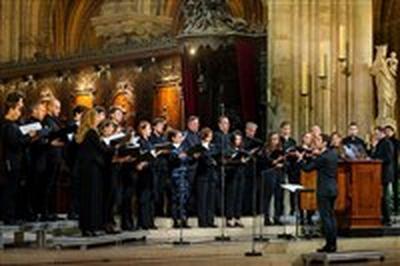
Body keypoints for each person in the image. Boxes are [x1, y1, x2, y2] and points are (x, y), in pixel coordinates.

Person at [297, 134, 338, 253]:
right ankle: (333, 244)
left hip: (324, 190)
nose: (315, 142)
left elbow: (307, 168)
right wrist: (315, 155)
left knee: (325, 218)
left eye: (318, 140)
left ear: (325, 143)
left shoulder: (323, 158)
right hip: (333, 188)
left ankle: (329, 245)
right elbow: (321, 160)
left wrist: (300, 159)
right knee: (331, 217)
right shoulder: (333, 154)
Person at [75, 109, 111, 236]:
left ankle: (86, 227)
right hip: (93, 170)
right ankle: (92, 227)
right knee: (93, 198)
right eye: (96, 117)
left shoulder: (82, 133)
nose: (99, 119)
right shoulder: (92, 133)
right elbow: (101, 149)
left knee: (87, 199)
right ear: (91, 119)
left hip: (85, 170)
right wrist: (114, 147)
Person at [0, 100, 37, 224]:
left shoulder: (13, 125)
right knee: (10, 190)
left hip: (17, 161)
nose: (19, 113)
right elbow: (15, 143)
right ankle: (8, 217)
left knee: (14, 189)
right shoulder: (8, 125)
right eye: (18, 109)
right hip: (11, 161)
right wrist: (30, 137)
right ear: (11, 109)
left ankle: (13, 215)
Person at [42, 98, 64, 220]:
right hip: (49, 157)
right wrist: (51, 142)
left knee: (55, 185)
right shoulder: (46, 121)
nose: (59, 110)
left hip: (57, 156)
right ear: (49, 107)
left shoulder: (56, 121)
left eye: (59, 107)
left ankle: (53, 211)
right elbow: (45, 139)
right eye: (56, 107)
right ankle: (46, 212)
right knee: (48, 185)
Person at [66, 105, 87, 220]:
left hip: (82, 160)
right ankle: (72, 210)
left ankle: (78, 209)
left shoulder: (84, 127)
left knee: (80, 187)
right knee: (74, 187)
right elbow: (70, 143)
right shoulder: (71, 126)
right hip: (74, 160)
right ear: (77, 115)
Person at [168, 129, 192, 228]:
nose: (181, 138)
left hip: (184, 175)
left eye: (181, 137)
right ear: (173, 138)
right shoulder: (170, 148)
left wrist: (190, 156)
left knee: (184, 198)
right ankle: (176, 219)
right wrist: (179, 157)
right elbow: (172, 160)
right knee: (176, 198)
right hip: (176, 176)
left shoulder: (184, 148)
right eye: (178, 137)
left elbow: (189, 158)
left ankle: (184, 218)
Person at [372, 126, 395, 226]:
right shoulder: (379, 143)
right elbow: (374, 156)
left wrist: (378, 161)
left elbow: (388, 158)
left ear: (382, 133)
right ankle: (383, 217)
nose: (376, 136)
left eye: (377, 134)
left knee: (385, 197)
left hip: (385, 173)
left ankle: (387, 219)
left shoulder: (387, 143)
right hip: (379, 173)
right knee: (381, 197)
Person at [260, 132, 285, 226]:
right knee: (268, 196)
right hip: (269, 174)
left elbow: (286, 161)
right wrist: (274, 162)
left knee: (279, 196)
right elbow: (263, 161)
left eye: (277, 139)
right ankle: (267, 218)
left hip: (279, 174)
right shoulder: (265, 149)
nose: (275, 141)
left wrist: (282, 163)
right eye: (273, 139)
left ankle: (277, 217)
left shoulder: (281, 149)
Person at [136, 121, 156, 230]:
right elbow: (139, 156)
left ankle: (149, 222)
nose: (151, 131)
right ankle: (143, 222)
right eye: (149, 129)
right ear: (142, 129)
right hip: (143, 173)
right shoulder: (139, 141)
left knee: (150, 197)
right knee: (144, 198)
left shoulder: (149, 141)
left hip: (150, 171)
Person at [196, 127, 218, 228]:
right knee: (202, 199)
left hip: (212, 175)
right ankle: (202, 221)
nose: (211, 137)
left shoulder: (213, 147)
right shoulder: (199, 147)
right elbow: (202, 159)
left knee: (211, 199)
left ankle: (210, 220)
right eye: (209, 135)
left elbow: (216, 157)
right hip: (202, 175)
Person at [225, 130, 246, 227]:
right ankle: (229, 218)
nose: (238, 141)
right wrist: (238, 161)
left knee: (239, 196)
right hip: (231, 175)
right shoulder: (228, 149)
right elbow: (226, 162)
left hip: (240, 174)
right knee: (231, 197)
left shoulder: (241, 149)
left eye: (240, 139)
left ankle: (238, 217)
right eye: (237, 139)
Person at [150, 117, 169, 217]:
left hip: (163, 166)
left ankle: (161, 211)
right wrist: (159, 151)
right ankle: (154, 212)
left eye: (163, 125)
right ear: (154, 127)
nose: (162, 127)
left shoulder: (163, 137)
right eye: (160, 125)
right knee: (155, 190)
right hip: (155, 166)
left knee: (162, 189)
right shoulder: (151, 137)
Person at [242, 122, 263, 215]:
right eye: (250, 130)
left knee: (254, 190)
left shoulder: (258, 142)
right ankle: (244, 210)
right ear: (246, 130)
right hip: (244, 169)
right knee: (244, 191)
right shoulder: (242, 141)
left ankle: (253, 209)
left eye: (254, 131)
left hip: (255, 169)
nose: (252, 133)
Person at [182, 116, 201, 216]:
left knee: (196, 191)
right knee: (187, 190)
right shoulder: (185, 136)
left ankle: (194, 210)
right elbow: (183, 151)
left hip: (198, 167)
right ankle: (186, 212)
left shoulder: (198, 135)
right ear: (189, 125)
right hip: (189, 167)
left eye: (198, 124)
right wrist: (192, 155)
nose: (197, 126)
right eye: (194, 124)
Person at [213, 116, 231, 214]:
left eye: (227, 123)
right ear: (219, 125)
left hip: (230, 166)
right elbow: (217, 149)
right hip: (220, 166)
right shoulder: (217, 135)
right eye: (224, 123)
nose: (226, 126)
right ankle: (219, 209)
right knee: (219, 189)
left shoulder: (229, 136)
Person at [280, 121, 298, 215]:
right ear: (281, 130)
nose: (287, 131)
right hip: (281, 166)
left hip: (291, 167)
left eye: (288, 129)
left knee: (292, 188)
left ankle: (293, 209)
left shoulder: (292, 141)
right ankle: (280, 211)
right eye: (285, 129)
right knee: (280, 189)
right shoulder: (279, 140)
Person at [384, 125, 399, 214]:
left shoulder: (396, 142)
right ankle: (388, 208)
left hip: (394, 166)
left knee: (395, 188)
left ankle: (396, 208)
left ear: (393, 132)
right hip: (387, 168)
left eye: (389, 131)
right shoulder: (384, 142)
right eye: (386, 131)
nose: (387, 133)